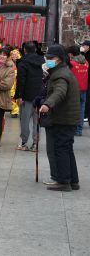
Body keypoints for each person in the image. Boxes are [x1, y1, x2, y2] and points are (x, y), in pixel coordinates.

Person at [40, 44, 80, 191]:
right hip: (68, 118)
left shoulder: (60, 75)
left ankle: (63, 181)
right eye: (47, 57)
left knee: (61, 149)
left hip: (63, 118)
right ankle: (73, 181)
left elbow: (60, 92)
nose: (48, 60)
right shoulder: (63, 71)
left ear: (60, 59)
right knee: (67, 149)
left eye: (51, 58)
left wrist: (48, 104)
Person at [67, 45, 88, 136]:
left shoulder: (71, 63)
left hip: (73, 90)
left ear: (71, 54)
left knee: (72, 110)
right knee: (81, 110)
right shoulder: (86, 62)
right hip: (84, 89)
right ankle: (79, 130)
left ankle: (73, 129)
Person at [10, 49, 22, 118]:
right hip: (11, 82)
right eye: (13, 55)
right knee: (12, 97)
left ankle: (17, 109)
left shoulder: (21, 63)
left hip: (19, 82)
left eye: (16, 55)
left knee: (18, 97)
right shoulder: (9, 63)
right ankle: (15, 111)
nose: (14, 56)